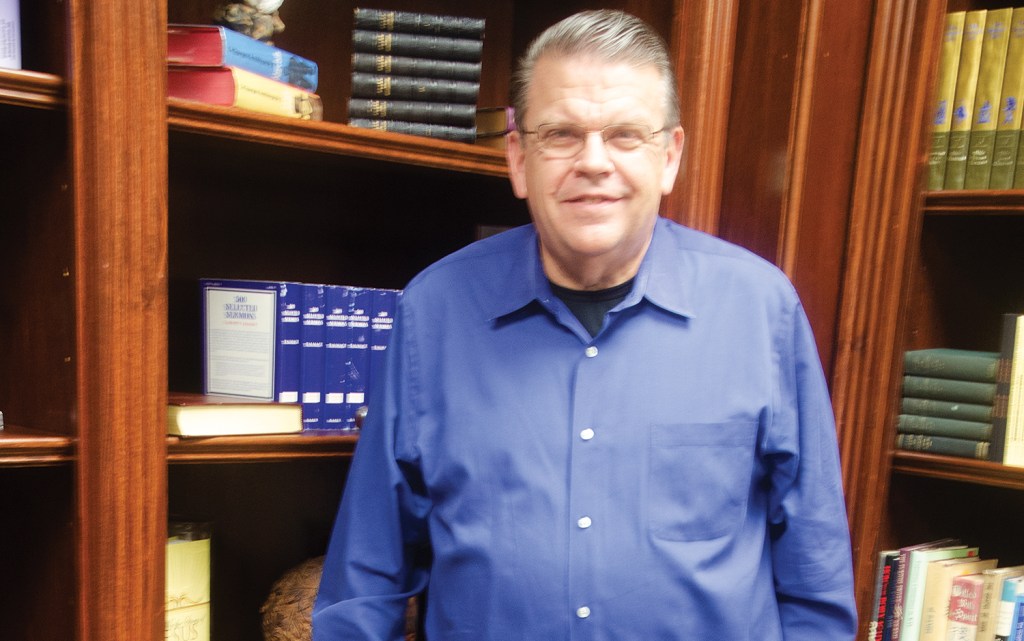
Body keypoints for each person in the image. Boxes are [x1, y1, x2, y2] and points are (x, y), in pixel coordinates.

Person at [313, 9, 857, 640]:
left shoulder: (760, 310)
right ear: (519, 159)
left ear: (669, 157)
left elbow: (815, 585)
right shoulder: (433, 312)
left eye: (626, 135)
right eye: (561, 134)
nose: (594, 162)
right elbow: (366, 580)